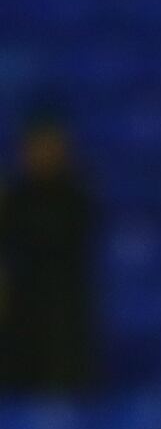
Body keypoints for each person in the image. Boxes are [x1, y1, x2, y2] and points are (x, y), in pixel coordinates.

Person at [0, 114, 95, 390]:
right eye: (36, 147)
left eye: (50, 146)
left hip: (64, 315)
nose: (43, 155)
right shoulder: (15, 198)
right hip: (18, 315)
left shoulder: (77, 197)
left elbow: (58, 237)